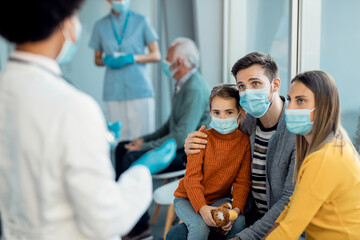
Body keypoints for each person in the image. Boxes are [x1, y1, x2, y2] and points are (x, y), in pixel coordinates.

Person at [0, 0, 176, 239]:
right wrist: (142, 170)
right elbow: (107, 220)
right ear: (66, 24)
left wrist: (96, 139)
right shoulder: (73, 107)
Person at [167, 52, 297, 240]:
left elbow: (288, 201)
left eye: (255, 83)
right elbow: (216, 146)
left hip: (276, 224)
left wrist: (245, 231)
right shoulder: (244, 123)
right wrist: (190, 149)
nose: (248, 92)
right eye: (242, 86)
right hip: (246, 213)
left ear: (275, 85)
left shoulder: (295, 131)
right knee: (176, 235)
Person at [115, 37, 211, 239]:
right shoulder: (182, 85)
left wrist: (146, 147)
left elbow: (179, 135)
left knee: (131, 158)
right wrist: (142, 141)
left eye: (168, 59)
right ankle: (119, 208)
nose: (165, 63)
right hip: (176, 144)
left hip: (185, 152)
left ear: (181, 62)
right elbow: (169, 126)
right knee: (123, 147)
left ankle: (139, 226)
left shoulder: (194, 88)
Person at [263, 71, 360, 239]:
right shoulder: (335, 142)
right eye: (291, 99)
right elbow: (291, 207)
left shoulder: (324, 158)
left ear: (324, 106)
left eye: (301, 101)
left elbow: (289, 230)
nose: (290, 107)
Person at [173, 84, 251, 240]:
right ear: (210, 113)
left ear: (240, 113)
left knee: (239, 221)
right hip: (187, 198)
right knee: (200, 227)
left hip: (218, 199)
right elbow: (191, 180)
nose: (222, 118)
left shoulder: (244, 142)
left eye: (229, 112)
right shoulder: (201, 138)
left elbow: (242, 182)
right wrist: (202, 209)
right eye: (217, 112)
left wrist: (235, 211)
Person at [89, 0, 161, 141]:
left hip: (139, 90)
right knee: (118, 139)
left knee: (142, 140)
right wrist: (106, 60)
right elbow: (97, 59)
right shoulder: (100, 26)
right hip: (113, 90)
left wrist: (133, 58)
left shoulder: (141, 21)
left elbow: (156, 55)